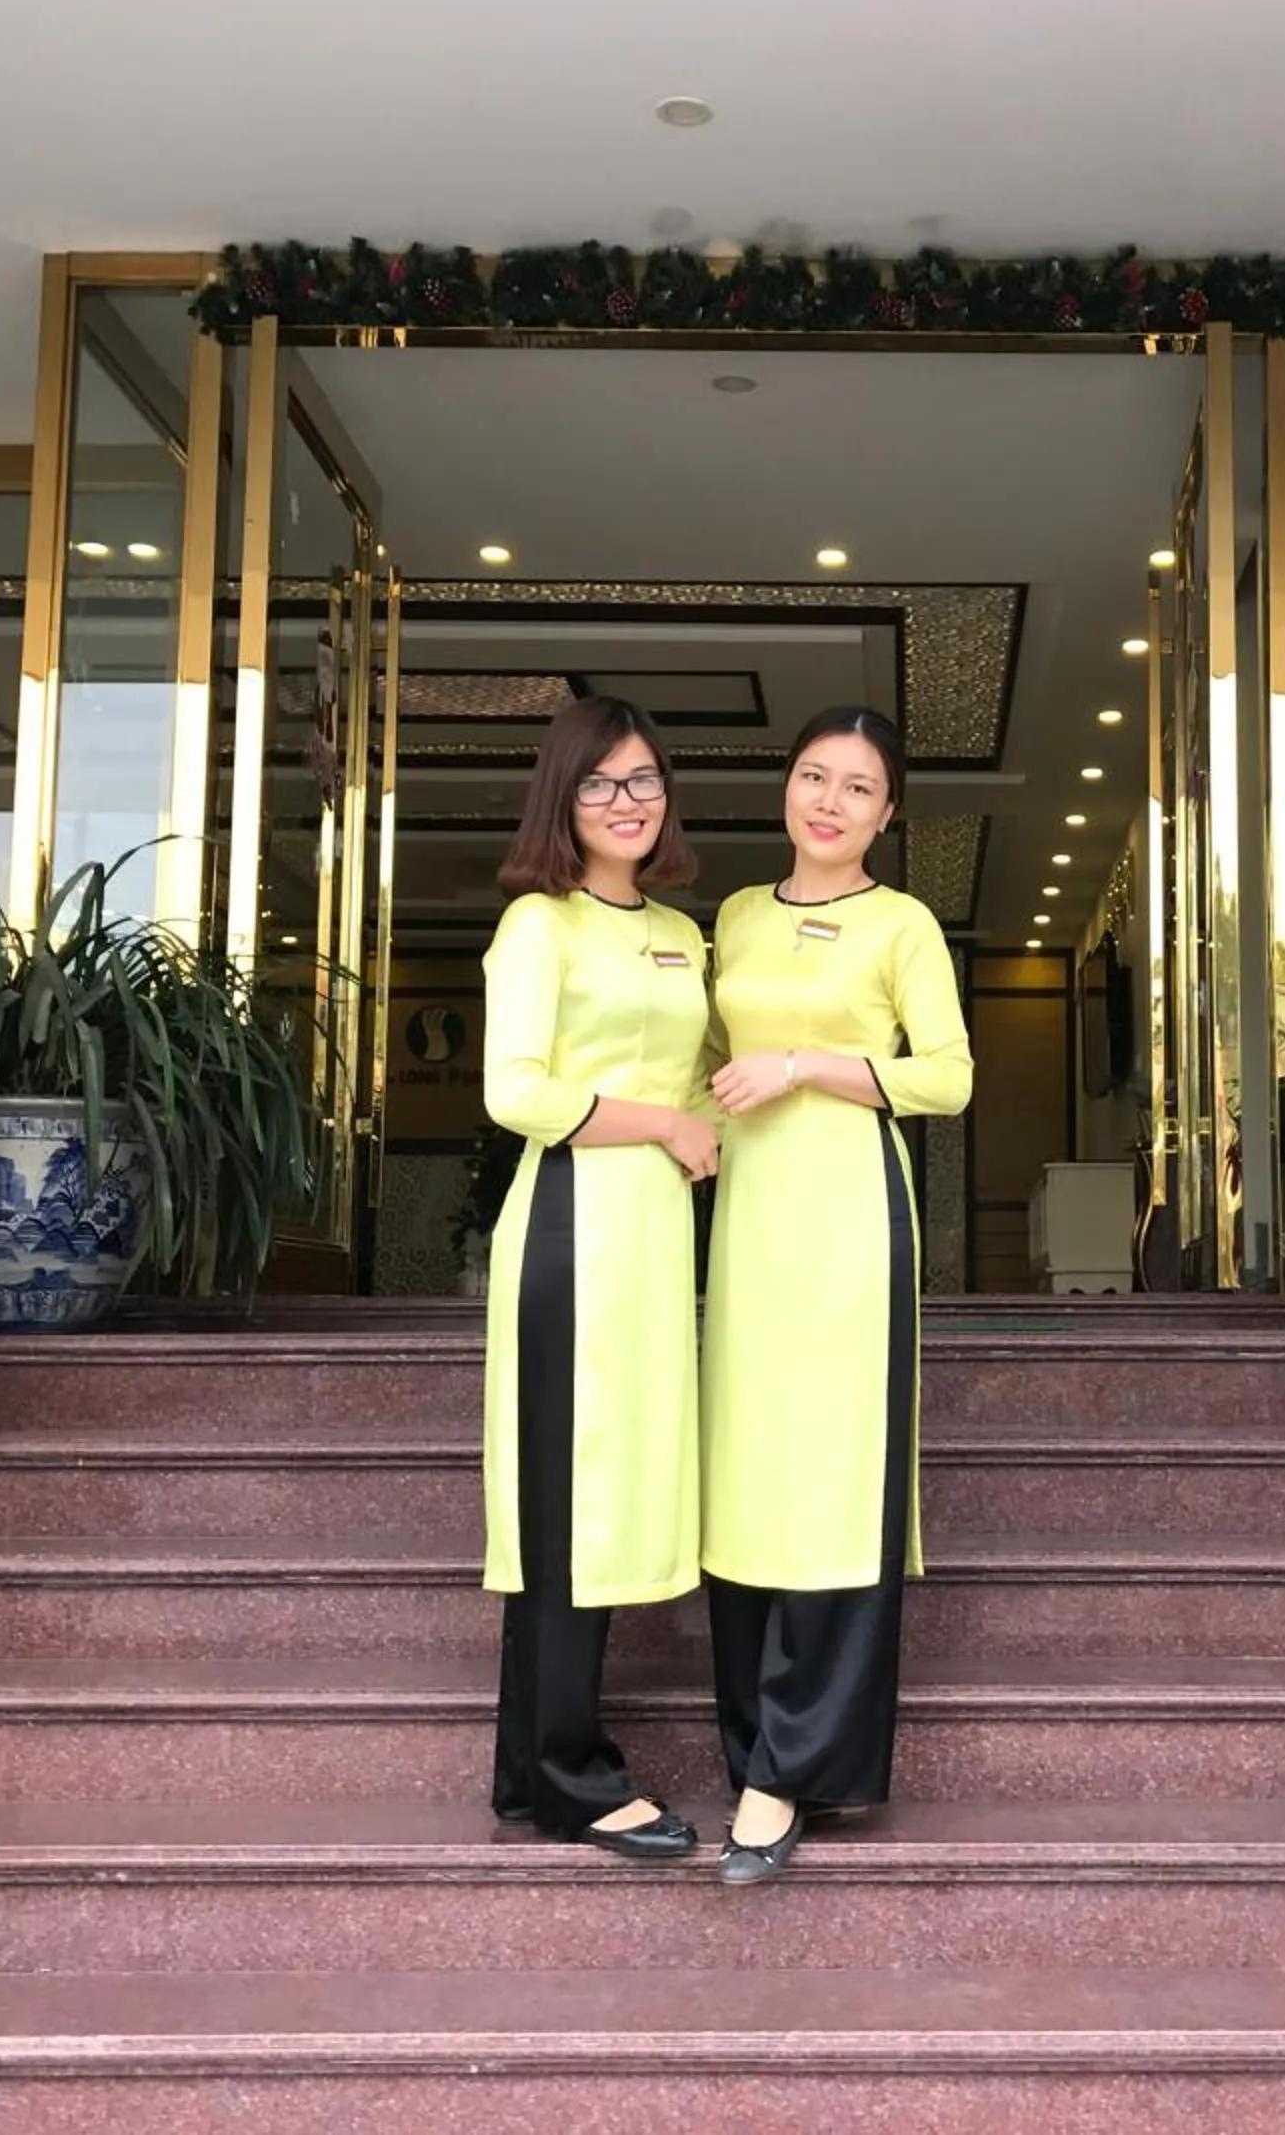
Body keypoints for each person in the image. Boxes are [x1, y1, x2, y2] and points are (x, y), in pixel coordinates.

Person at [700, 704, 975, 1884]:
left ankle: (790, 1767)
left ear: (887, 811)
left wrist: (810, 1064)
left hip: (853, 1215)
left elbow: (951, 1079)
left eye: (858, 788)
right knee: (744, 1472)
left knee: (830, 1474)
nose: (829, 801)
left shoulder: (903, 923)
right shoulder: (735, 915)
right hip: (743, 1215)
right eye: (814, 776)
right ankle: (753, 1739)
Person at [479, 695, 719, 1860]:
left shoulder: (683, 932)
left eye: (644, 781)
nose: (628, 803)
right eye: (601, 785)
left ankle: (531, 1771)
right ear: (561, 802)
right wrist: (666, 1128)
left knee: (606, 1491)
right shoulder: (542, 925)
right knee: (569, 1501)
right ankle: (573, 1774)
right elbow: (516, 1093)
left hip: (657, 1245)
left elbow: (715, 1071)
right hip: (574, 1226)